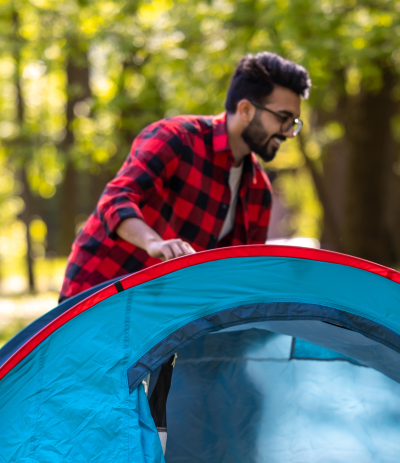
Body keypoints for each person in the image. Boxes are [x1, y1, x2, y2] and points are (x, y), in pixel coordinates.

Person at [58, 52, 311, 301]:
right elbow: (115, 199)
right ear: (245, 109)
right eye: (283, 119)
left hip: (161, 315)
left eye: (293, 123)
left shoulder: (259, 191)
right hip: (97, 296)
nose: (289, 133)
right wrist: (154, 243)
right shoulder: (176, 138)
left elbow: (242, 278)